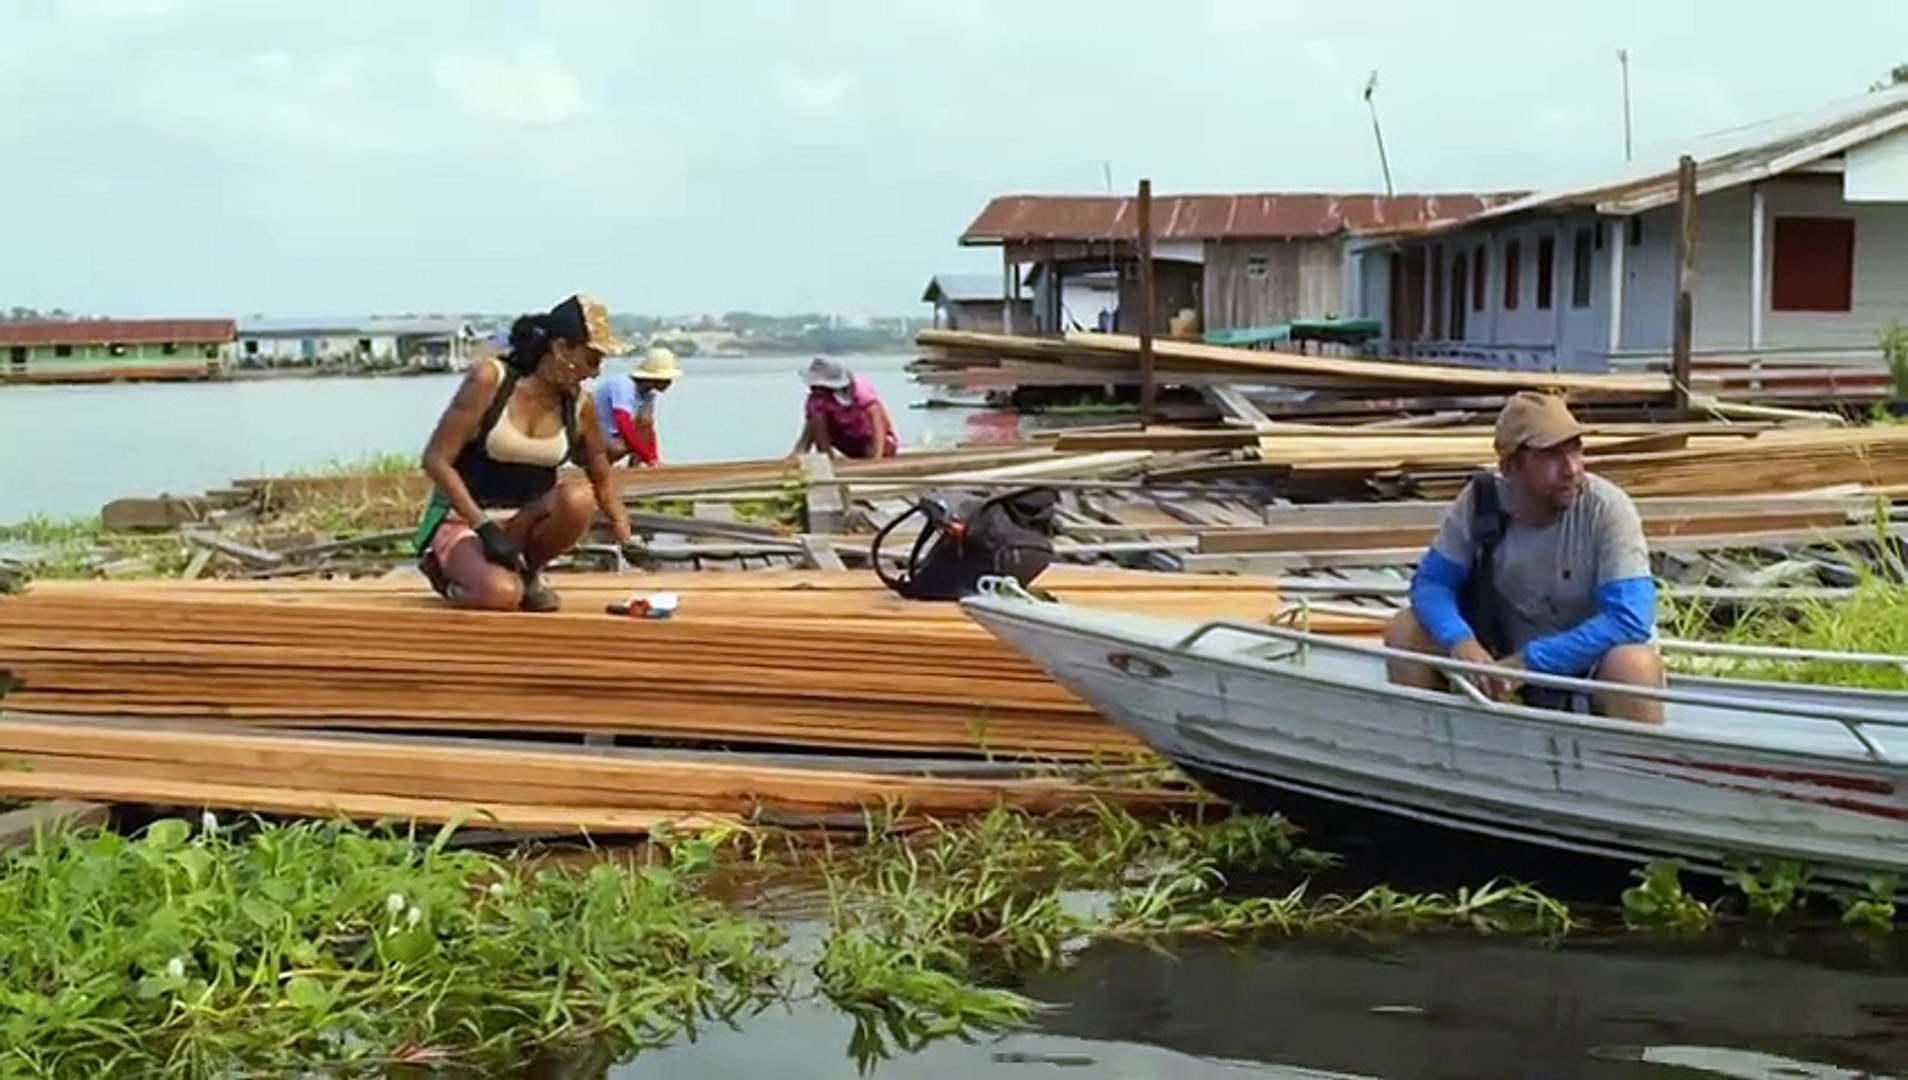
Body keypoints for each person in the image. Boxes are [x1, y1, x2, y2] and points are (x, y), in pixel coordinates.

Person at [1382, 390, 1666, 724]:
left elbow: (1629, 617)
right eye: (1552, 455)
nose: (1572, 469)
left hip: (1587, 666)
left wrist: (1529, 663)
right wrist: (1461, 641)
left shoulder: (1606, 509)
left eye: (1576, 450)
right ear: (1511, 466)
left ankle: (1629, 754)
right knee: (1405, 629)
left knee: (1633, 665)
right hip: (1503, 655)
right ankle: (1429, 741)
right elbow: (1431, 583)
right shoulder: (1480, 503)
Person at [413, 293, 642, 613]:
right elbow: (436, 460)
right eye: (591, 360)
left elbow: (600, 476)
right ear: (560, 348)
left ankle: (527, 572)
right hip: (468, 520)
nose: (594, 373)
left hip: (525, 523)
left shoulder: (580, 406)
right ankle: (446, 576)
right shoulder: (491, 381)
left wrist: (627, 537)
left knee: (578, 497)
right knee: (500, 596)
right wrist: (483, 526)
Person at [789, 356, 897, 460]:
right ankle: (823, 457)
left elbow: (877, 421)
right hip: (843, 439)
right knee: (814, 419)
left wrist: (877, 457)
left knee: (872, 450)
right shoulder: (817, 400)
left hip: (869, 438)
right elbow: (815, 426)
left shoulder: (860, 391)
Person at [594, 346, 681, 467]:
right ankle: (601, 465)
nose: (669, 383)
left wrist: (653, 457)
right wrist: (646, 455)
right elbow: (623, 422)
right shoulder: (624, 386)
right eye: (666, 379)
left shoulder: (649, 394)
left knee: (643, 424)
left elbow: (647, 426)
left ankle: (636, 466)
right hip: (598, 436)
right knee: (622, 446)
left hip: (616, 436)